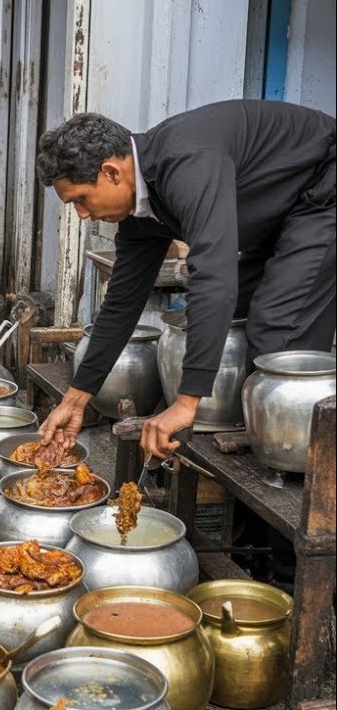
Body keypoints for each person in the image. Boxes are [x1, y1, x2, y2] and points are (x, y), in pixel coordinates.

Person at [36, 101, 336, 460]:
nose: (82, 214)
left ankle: (291, 470)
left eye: (80, 200)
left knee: (277, 330)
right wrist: (76, 396)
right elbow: (122, 302)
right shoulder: (140, 206)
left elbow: (214, 274)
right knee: (230, 318)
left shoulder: (186, 164)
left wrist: (185, 403)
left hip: (323, 192)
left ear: (112, 172)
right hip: (280, 210)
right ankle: (253, 436)